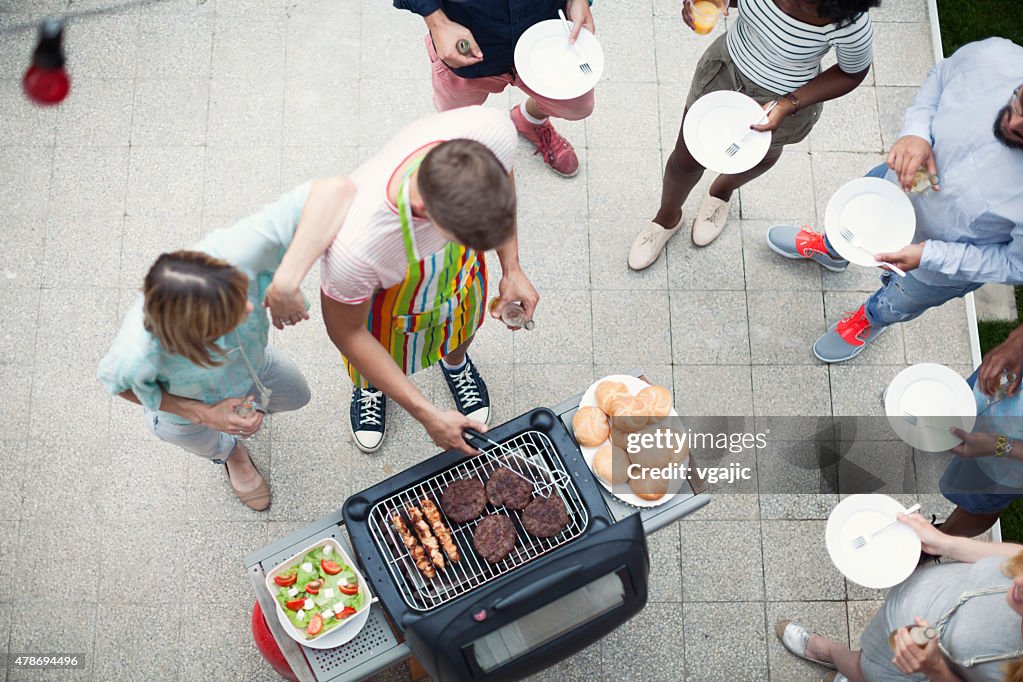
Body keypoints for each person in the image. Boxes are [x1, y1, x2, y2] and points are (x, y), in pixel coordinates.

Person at [98, 179, 356, 510]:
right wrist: (205, 414)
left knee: (297, 395)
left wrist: (285, 282)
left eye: (240, 294)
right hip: (186, 405)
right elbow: (115, 384)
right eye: (231, 316)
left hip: (254, 366)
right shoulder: (136, 353)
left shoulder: (235, 251)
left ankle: (247, 415)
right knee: (201, 438)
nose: (249, 308)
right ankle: (233, 455)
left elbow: (334, 190)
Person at [766, 37, 1023, 363]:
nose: (1014, 123)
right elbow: (941, 77)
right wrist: (916, 132)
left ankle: (870, 319)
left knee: (899, 299)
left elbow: (1016, 263)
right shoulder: (995, 56)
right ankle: (834, 249)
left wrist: (931, 255)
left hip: (938, 265)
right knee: (850, 222)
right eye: (1020, 102)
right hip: (890, 191)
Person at [319, 105, 538, 455]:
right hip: (385, 306)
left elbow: (505, 175)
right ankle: (373, 388)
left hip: (457, 282)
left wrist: (511, 268)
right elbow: (346, 332)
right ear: (427, 218)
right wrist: (427, 414)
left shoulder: (491, 130)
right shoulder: (357, 246)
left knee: (462, 322)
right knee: (372, 354)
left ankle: (455, 363)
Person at [628, 0, 876, 269]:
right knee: (687, 158)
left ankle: (721, 191)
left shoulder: (850, 22)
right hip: (725, 71)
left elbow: (852, 72)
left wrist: (789, 103)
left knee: (762, 157)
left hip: (786, 100)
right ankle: (666, 219)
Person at [776, 513, 1023, 681]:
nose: (1021, 583)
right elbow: (1018, 556)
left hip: (917, 667)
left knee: (869, 671)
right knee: (871, 652)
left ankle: (829, 653)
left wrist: (935, 668)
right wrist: (943, 543)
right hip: (913, 601)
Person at [393, 0, 596, 178]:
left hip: (545, 36)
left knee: (577, 106)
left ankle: (529, 119)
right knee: (456, 118)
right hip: (469, 44)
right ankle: (466, 151)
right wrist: (437, 22)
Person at [938, 321, 1023, 539]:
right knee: (955, 413)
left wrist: (999, 446)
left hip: (1010, 457)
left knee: (978, 502)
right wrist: (1018, 341)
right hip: (1001, 385)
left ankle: (938, 541)